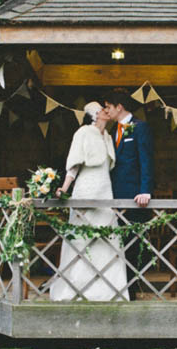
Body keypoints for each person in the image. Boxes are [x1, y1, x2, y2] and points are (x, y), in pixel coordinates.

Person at [48, 102, 129, 302]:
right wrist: (64, 188)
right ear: (95, 115)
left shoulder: (108, 136)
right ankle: (77, 285)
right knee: (81, 237)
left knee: (107, 237)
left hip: (105, 189)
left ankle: (110, 289)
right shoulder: (83, 132)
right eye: (103, 109)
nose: (106, 111)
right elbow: (74, 164)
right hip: (86, 186)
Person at [103, 90, 154, 300]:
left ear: (119, 107)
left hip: (135, 196)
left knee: (132, 243)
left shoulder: (141, 128)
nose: (106, 111)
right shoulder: (113, 130)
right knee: (117, 242)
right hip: (114, 195)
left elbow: (146, 160)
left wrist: (145, 190)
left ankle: (131, 289)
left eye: (108, 107)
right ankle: (118, 286)